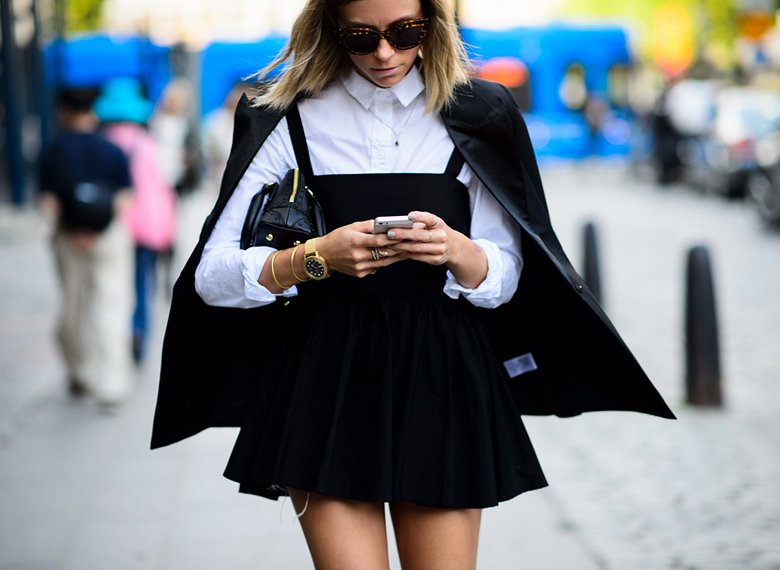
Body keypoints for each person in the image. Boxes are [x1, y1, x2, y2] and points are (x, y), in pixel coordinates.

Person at [151, 0, 675, 567]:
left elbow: (504, 277)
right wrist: (316, 258)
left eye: (405, 31)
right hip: (324, 377)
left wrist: (456, 251)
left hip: (443, 372)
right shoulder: (285, 115)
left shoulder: (480, 111)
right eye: (361, 35)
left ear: (433, 25)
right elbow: (211, 277)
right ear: (332, 29)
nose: (384, 52)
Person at [38, 87, 134, 408]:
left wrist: (75, 230)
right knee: (111, 306)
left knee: (74, 306)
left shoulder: (53, 149)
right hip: (109, 237)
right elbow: (125, 197)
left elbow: (48, 202)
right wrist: (99, 229)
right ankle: (112, 385)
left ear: (63, 111)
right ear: (92, 112)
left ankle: (80, 370)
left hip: (68, 239)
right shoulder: (112, 149)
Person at [94, 78, 177, 363]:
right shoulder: (149, 143)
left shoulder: (103, 143)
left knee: (113, 286)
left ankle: (113, 340)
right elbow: (164, 187)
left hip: (112, 224)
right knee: (143, 285)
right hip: (147, 227)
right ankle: (138, 333)